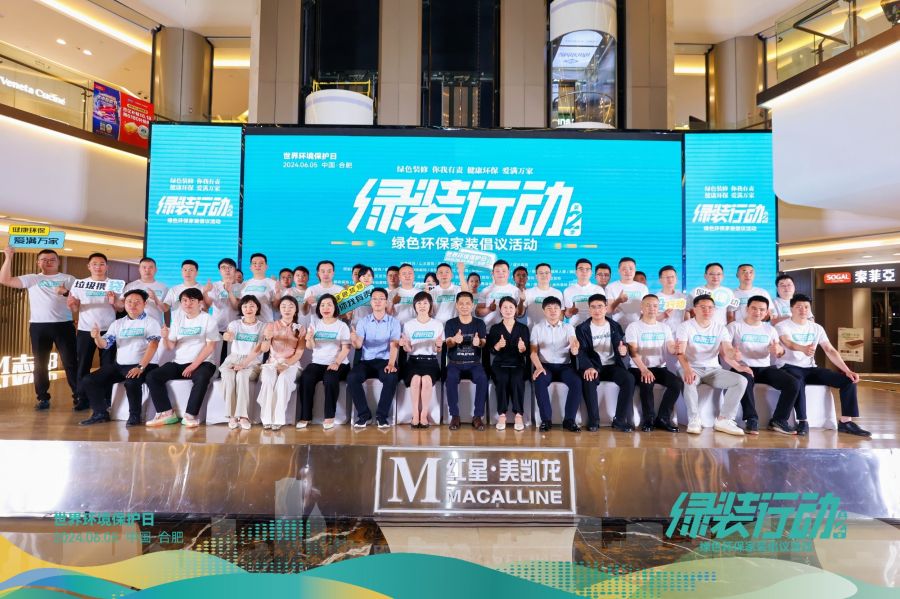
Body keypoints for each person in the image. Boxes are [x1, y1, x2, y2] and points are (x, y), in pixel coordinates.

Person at [777, 294, 870, 436]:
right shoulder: (782, 326)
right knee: (797, 380)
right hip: (789, 366)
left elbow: (829, 350)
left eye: (806, 307)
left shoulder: (816, 328)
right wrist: (803, 348)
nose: (803, 310)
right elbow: (788, 343)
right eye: (799, 307)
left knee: (848, 380)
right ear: (791, 309)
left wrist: (847, 370)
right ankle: (803, 421)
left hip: (810, 368)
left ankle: (846, 422)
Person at [0, 246, 77, 410]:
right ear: (38, 263)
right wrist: (8, 257)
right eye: (44, 260)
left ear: (58, 262)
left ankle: (79, 395)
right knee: (40, 363)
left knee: (70, 362)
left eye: (52, 260)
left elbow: (80, 299)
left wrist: (66, 292)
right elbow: (5, 280)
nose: (48, 262)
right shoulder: (32, 278)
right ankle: (43, 398)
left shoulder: (68, 278)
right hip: (38, 326)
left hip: (64, 325)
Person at [79, 289, 160, 426]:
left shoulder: (151, 322)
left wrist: (140, 367)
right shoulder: (118, 323)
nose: (132, 305)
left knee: (131, 382)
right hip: (121, 365)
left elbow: (153, 345)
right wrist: (97, 337)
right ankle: (100, 413)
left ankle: (134, 416)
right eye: (129, 302)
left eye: (137, 302)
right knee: (89, 380)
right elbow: (105, 344)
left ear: (145, 304)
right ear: (124, 303)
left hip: (145, 365)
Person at [145, 288, 220, 428]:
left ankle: (190, 415)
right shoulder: (178, 319)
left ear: (200, 302)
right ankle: (166, 413)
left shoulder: (208, 319)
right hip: (179, 362)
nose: (188, 303)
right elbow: (170, 346)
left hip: (203, 363)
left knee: (202, 377)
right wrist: (165, 337)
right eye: (184, 300)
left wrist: (193, 366)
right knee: (152, 376)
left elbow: (210, 347)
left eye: (192, 300)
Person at [675, 295, 748, 436]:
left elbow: (727, 350)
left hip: (713, 370)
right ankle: (694, 419)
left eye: (710, 308)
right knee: (689, 380)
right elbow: (680, 352)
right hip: (691, 367)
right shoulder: (685, 326)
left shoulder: (720, 328)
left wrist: (734, 354)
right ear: (694, 309)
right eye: (702, 307)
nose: (707, 310)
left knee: (741, 380)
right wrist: (687, 369)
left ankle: (724, 419)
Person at [728, 295, 800, 435]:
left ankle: (779, 420)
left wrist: (778, 351)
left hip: (765, 368)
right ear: (747, 309)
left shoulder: (770, 329)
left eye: (762, 309)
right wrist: (733, 355)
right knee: (745, 379)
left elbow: (779, 351)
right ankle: (751, 419)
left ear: (767, 312)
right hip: (742, 367)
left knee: (793, 383)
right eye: (754, 308)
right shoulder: (734, 326)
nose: (757, 312)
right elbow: (725, 349)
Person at [576, 294, 634, 432]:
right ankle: (593, 420)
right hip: (594, 366)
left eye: (600, 306)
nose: (597, 310)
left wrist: (623, 352)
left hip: (612, 365)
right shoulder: (582, 328)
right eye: (593, 307)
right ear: (589, 309)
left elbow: (622, 347)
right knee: (588, 379)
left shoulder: (615, 326)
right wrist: (588, 367)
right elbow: (581, 351)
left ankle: (620, 420)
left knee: (629, 379)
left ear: (606, 308)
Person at [68, 252, 118, 411]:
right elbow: (75, 308)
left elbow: (120, 308)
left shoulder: (114, 284)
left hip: (109, 330)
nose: (98, 267)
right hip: (85, 330)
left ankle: (107, 398)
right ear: (89, 266)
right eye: (94, 264)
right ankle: (82, 398)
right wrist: (72, 304)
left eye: (102, 264)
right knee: (83, 365)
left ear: (107, 266)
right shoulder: (79, 284)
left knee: (107, 366)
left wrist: (113, 301)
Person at [625, 295, 682, 433]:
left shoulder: (664, 327)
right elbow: (632, 352)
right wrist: (644, 369)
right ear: (642, 307)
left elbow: (670, 347)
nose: (652, 308)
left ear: (658, 308)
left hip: (659, 368)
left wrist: (675, 349)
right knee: (647, 382)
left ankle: (663, 418)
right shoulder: (633, 327)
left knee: (676, 383)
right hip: (638, 367)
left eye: (655, 306)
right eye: (648, 305)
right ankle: (648, 419)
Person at [348, 287, 401, 428]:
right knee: (352, 377)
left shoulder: (393, 322)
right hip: (366, 361)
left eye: (381, 299)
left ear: (386, 302)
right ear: (370, 302)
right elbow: (359, 345)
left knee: (391, 377)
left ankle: (381, 416)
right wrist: (353, 339)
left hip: (385, 360)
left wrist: (391, 364)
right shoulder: (363, 321)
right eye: (374, 299)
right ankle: (364, 415)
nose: (378, 301)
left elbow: (394, 345)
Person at [297, 294, 351, 430]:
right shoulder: (315, 323)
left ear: (335, 308)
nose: (325, 308)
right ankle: (305, 416)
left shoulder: (342, 326)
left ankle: (329, 416)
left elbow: (346, 348)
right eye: (322, 305)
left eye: (329, 305)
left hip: (340, 363)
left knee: (330, 378)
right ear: (319, 308)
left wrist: (336, 363)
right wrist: (309, 338)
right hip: (318, 362)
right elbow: (310, 347)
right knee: (306, 377)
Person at [531, 296, 581, 432]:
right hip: (545, 366)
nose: (553, 311)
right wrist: (539, 368)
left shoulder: (568, 327)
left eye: (556, 308)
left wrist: (575, 347)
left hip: (565, 366)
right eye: (549, 308)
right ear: (543, 311)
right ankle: (546, 420)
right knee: (539, 380)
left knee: (577, 382)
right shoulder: (537, 328)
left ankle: (569, 420)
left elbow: (573, 341)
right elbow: (533, 352)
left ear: (561, 311)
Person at [257, 296, 305, 430]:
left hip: (292, 364)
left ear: (295, 310)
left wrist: (286, 364)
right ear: (279, 309)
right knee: (268, 379)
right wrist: (267, 338)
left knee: (283, 379)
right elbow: (264, 349)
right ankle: (266, 418)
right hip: (272, 363)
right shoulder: (271, 325)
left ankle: (278, 419)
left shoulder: (300, 328)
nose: (287, 309)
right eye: (283, 306)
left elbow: (299, 353)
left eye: (290, 306)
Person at [219, 295, 266, 430]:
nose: (248, 309)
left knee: (242, 375)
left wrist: (244, 364)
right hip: (233, 359)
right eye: (245, 306)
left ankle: (243, 416)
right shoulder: (234, 324)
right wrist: (227, 336)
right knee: (228, 375)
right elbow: (228, 335)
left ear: (257, 308)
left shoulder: (263, 326)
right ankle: (232, 416)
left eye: (252, 306)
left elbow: (258, 349)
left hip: (252, 361)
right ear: (241, 309)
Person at [444, 291, 488, 430]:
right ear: (456, 305)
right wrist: (454, 340)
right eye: (461, 304)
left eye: (467, 303)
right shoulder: (450, 323)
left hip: (474, 364)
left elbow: (483, 342)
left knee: (482, 379)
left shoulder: (479, 323)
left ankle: (477, 416)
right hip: (455, 364)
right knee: (450, 378)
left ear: (473, 305)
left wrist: (478, 342)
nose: (464, 306)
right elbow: (448, 343)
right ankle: (455, 416)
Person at [400, 292, 443, 428]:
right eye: (419, 303)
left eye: (425, 303)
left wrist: (438, 345)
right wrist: (405, 344)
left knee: (426, 380)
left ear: (430, 305)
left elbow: (437, 350)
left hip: (431, 362)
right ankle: (415, 414)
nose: (422, 306)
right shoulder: (408, 325)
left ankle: (424, 415)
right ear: (414, 306)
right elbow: (408, 349)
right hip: (413, 361)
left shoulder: (437, 324)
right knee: (416, 380)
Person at [488, 297, 530, 431]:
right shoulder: (495, 328)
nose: (508, 310)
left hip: (518, 363)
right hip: (500, 364)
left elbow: (527, 352)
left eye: (511, 307)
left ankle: (518, 414)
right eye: (505, 307)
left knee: (517, 379)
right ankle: (502, 414)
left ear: (516, 309)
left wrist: (522, 349)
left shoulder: (523, 328)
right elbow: (492, 351)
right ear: (500, 310)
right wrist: (497, 346)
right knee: (502, 379)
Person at [476, 260, 523, 329]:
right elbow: (478, 312)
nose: (501, 273)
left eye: (504, 271)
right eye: (497, 271)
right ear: (492, 273)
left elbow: (519, 313)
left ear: (508, 273)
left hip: (510, 330)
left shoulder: (516, 290)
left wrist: (521, 301)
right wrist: (489, 309)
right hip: (489, 330)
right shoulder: (485, 290)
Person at [121, 257, 168, 325]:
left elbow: (166, 309)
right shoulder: (130, 286)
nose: (147, 270)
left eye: (150, 267)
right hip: (134, 326)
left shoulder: (163, 287)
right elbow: (122, 306)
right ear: (139, 269)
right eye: (144, 267)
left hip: (156, 325)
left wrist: (155, 299)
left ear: (156, 269)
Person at [606, 257, 650, 330]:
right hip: (617, 328)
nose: (628, 271)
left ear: (635, 270)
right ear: (619, 270)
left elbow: (646, 310)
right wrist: (618, 300)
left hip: (638, 328)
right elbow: (608, 311)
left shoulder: (643, 288)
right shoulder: (611, 287)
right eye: (624, 269)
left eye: (631, 268)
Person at [205, 258, 241, 337]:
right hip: (217, 327)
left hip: (236, 328)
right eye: (223, 267)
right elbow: (207, 306)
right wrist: (205, 292)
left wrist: (229, 292)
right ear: (219, 271)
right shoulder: (214, 286)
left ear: (235, 270)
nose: (227, 270)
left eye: (230, 267)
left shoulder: (241, 287)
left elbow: (237, 307)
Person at [564, 258, 604, 327]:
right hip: (575, 327)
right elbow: (567, 315)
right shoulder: (568, 290)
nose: (584, 272)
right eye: (581, 269)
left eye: (587, 269)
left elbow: (603, 311)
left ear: (591, 273)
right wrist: (570, 312)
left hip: (594, 327)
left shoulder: (598, 290)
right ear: (576, 272)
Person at [239, 253, 278, 322]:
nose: (257, 265)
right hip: (246, 324)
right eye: (254, 263)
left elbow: (276, 307)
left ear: (266, 266)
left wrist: (278, 295)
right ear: (250, 267)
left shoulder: (273, 283)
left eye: (261, 263)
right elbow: (239, 305)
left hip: (265, 323)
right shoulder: (243, 284)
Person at [524, 263, 564, 328]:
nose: (544, 275)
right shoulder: (528, 292)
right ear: (536, 276)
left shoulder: (558, 293)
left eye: (547, 273)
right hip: (532, 330)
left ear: (551, 275)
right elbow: (520, 314)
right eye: (541, 273)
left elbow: (561, 315)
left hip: (553, 331)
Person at [656, 265, 688, 333]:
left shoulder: (683, 297)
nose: (670, 280)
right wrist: (663, 316)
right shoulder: (655, 298)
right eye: (667, 277)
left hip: (680, 334)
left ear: (676, 279)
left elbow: (686, 317)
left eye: (672, 277)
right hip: (662, 334)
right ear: (660, 280)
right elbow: (649, 320)